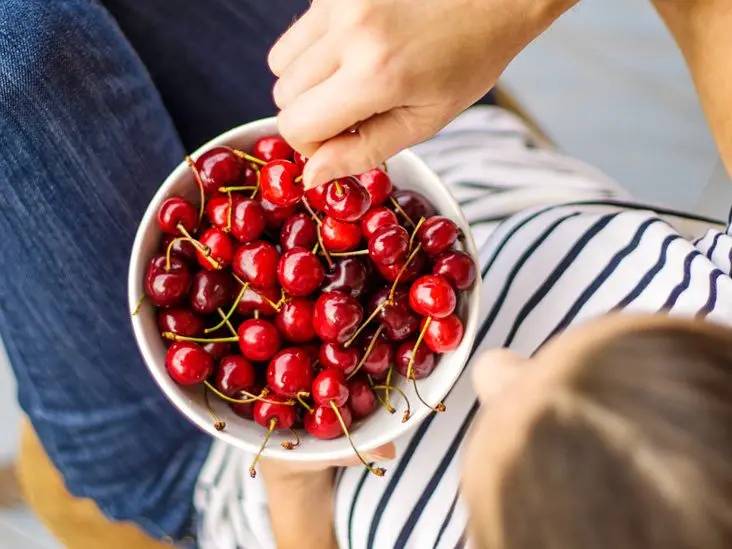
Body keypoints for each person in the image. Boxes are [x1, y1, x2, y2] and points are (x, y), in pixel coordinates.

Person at [2, 2, 732, 549]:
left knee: (17, 50)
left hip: (212, 456)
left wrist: (294, 482)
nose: (496, 366)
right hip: (415, 144)